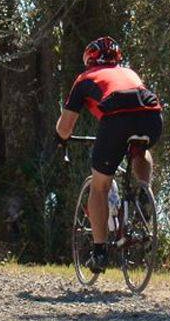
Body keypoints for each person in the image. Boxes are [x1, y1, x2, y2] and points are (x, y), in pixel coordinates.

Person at [55, 36, 163, 273]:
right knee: (140, 148)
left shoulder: (85, 78)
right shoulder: (130, 73)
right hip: (152, 115)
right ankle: (144, 194)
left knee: (100, 185)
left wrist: (61, 139)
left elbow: (65, 127)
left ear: (89, 59)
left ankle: (100, 253)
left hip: (117, 119)